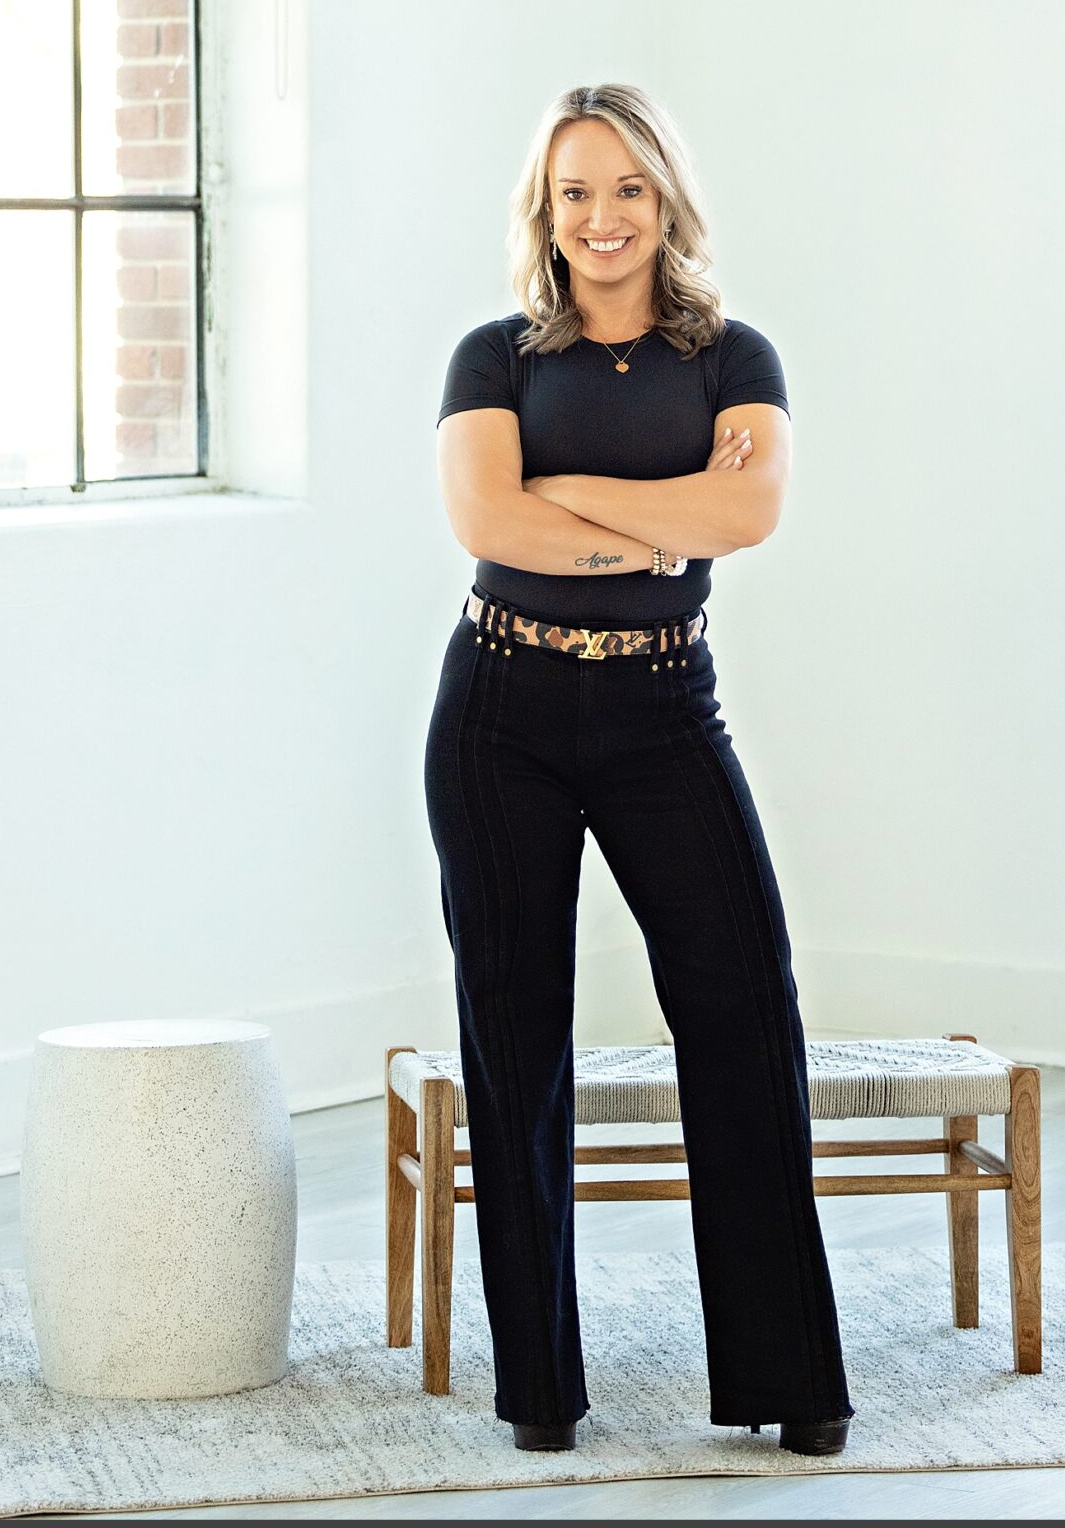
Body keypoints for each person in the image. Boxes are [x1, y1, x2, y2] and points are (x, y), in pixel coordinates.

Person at [426, 81, 853, 1456]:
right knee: (515, 1035)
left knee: (742, 1014)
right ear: (541, 215)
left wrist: (574, 500)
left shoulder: (735, 357)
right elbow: (483, 519)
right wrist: (660, 526)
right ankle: (539, 1392)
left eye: (624, 188)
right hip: (499, 707)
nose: (600, 218)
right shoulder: (492, 357)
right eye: (572, 193)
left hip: (666, 710)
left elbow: (751, 511)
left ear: (664, 199)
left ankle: (790, 1379)